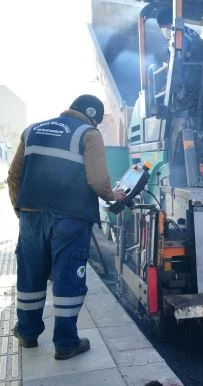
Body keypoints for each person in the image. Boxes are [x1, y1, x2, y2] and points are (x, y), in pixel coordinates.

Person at [7, 95, 125, 359]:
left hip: (31, 216)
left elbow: (14, 177)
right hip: (70, 219)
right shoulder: (89, 134)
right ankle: (66, 342)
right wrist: (111, 195)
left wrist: (21, 211)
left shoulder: (31, 131)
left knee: (30, 276)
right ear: (93, 117)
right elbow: (97, 180)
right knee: (67, 277)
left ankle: (27, 333)